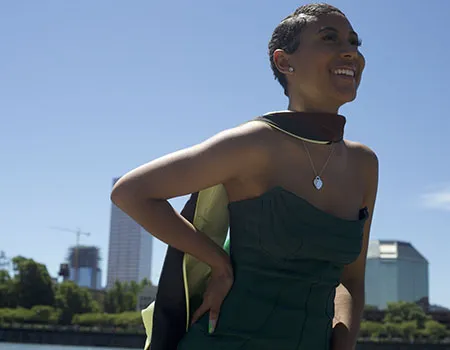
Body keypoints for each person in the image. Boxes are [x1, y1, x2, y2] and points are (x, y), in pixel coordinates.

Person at [111, 3, 378, 350]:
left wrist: (343, 341)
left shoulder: (364, 165)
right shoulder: (254, 143)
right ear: (285, 62)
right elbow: (131, 192)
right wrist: (218, 263)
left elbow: (351, 278)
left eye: (355, 43)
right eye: (330, 38)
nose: (350, 52)